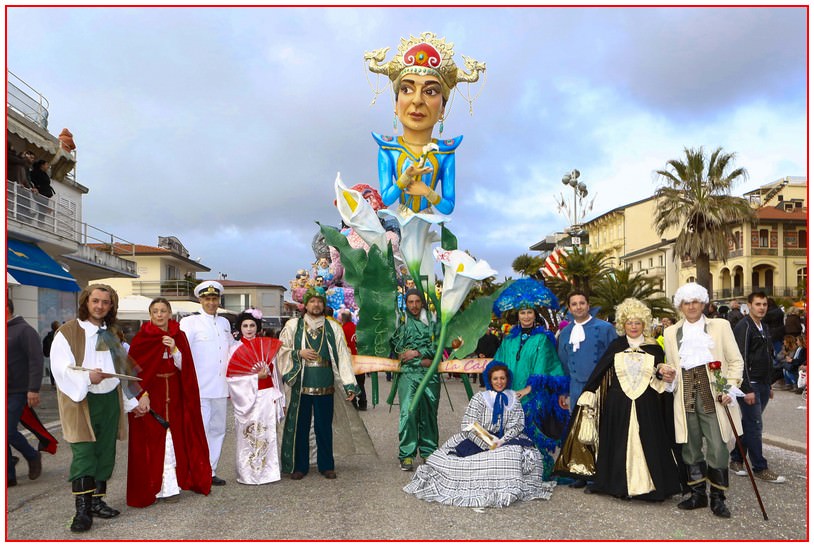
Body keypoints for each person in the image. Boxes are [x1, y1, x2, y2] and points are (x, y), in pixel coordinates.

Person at [556, 298, 681, 501]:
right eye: (629, 323)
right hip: (618, 403)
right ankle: (617, 484)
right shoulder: (616, 345)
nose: (633, 327)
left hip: (646, 404)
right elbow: (601, 371)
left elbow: (659, 375)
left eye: (637, 323)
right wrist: (590, 392)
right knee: (617, 443)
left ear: (644, 325)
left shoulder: (654, 348)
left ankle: (650, 487)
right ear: (623, 325)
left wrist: (662, 372)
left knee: (649, 441)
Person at [49, 284, 144, 532]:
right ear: (86, 302)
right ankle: (82, 510)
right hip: (81, 400)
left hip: (109, 399)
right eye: (95, 301)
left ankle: (96, 502)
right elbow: (61, 369)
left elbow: (123, 371)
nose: (100, 306)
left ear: (111, 306)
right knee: (84, 453)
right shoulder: (67, 333)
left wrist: (133, 401)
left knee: (105, 452)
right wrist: (88, 378)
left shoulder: (112, 334)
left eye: (105, 302)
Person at [403, 361, 555, 506]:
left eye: (502, 378)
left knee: (514, 455)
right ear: (489, 380)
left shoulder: (513, 399)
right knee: (454, 461)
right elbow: (468, 424)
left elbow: (517, 425)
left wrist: (502, 440)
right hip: (479, 437)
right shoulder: (480, 398)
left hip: (506, 438)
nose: (499, 382)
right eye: (495, 378)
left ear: (507, 379)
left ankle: (505, 487)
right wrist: (489, 441)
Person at [365, 32, 485, 215]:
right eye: (406, 89)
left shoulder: (444, 152)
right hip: (400, 222)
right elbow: (386, 199)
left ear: (442, 109)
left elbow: (448, 207)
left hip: (429, 222)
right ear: (396, 105)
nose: (417, 100)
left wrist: (427, 192)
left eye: (430, 92)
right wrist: (406, 177)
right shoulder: (388, 149)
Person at [663, 282, 744, 518]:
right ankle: (697, 494)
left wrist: (730, 387)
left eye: (695, 301)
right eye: (686, 302)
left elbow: (736, 361)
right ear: (680, 305)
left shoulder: (720, 326)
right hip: (685, 395)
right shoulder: (670, 332)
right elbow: (671, 364)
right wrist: (666, 373)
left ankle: (718, 497)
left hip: (714, 397)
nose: (691, 307)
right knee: (689, 446)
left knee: (718, 446)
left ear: (703, 303)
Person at [126, 298, 211, 507]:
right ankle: (154, 486)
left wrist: (174, 349)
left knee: (175, 438)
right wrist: (141, 394)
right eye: (155, 311)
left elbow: (186, 367)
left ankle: (173, 485)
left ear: (169, 313)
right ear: (150, 315)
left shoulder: (178, 335)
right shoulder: (141, 338)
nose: (159, 315)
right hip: (151, 394)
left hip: (175, 394)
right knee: (152, 441)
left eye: (163, 311)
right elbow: (132, 371)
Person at [278, 287, 360, 479]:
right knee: (300, 426)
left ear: (324, 305)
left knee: (324, 427)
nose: (316, 305)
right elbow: (280, 350)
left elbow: (343, 355)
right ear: (305, 305)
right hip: (301, 384)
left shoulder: (333, 327)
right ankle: (300, 466)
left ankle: (326, 465)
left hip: (325, 384)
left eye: (319, 301)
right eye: (312, 301)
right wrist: (299, 353)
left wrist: (349, 384)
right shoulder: (293, 325)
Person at [493, 301, 569, 480]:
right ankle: (513, 468)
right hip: (509, 393)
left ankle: (535, 469)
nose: (526, 316)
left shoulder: (543, 338)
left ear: (535, 315)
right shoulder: (509, 339)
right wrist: (499, 385)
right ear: (517, 316)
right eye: (522, 313)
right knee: (508, 431)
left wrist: (528, 388)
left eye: (529, 313)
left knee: (531, 433)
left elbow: (543, 365)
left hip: (533, 395)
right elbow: (499, 363)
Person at [180, 280, 236, 486]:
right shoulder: (189, 323)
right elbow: (181, 355)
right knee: (199, 431)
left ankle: (210, 470)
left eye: (214, 299)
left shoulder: (224, 323)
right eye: (207, 299)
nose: (211, 303)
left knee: (218, 430)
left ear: (219, 300)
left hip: (221, 388)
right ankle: (197, 470)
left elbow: (232, 350)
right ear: (200, 300)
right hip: (200, 387)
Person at [728, 292, 787, 484]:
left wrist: (769, 384)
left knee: (750, 424)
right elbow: (740, 358)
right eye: (758, 304)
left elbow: (768, 356)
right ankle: (760, 467)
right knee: (755, 425)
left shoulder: (764, 327)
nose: (762, 308)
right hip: (750, 384)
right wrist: (746, 388)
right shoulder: (743, 327)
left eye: (764, 304)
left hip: (762, 383)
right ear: (749, 306)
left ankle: (736, 458)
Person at [226, 308, 285, 485]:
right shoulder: (234, 348)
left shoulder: (265, 346)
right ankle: (248, 473)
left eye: (252, 325)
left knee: (267, 432)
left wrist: (279, 397)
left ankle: (269, 472)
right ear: (240, 328)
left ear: (257, 327)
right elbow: (231, 377)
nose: (249, 329)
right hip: (246, 397)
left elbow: (276, 376)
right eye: (245, 325)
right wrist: (254, 377)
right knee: (247, 434)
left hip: (267, 395)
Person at [391, 289, 440, 471]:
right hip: (408, 373)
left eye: (417, 301)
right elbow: (398, 348)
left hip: (430, 375)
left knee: (429, 413)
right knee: (408, 412)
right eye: (410, 302)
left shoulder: (434, 321)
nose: (414, 305)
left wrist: (417, 353)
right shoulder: (401, 321)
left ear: (422, 303)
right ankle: (407, 454)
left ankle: (429, 452)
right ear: (406, 303)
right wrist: (417, 358)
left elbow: (438, 345)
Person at [557, 290, 618, 409]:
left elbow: (616, 360)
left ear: (588, 305)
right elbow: (563, 364)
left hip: (601, 387)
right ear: (569, 308)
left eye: (582, 303)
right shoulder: (565, 333)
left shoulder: (606, 328)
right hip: (575, 390)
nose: (578, 307)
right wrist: (564, 391)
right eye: (574, 304)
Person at [7, 298, 44, 487]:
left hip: (17, 390)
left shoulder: (24, 330)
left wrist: (33, 388)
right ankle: (8, 476)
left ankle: (32, 455)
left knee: (7, 430)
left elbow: (36, 360)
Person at [341, 310, 367, 411]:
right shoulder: (358, 329)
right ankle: (363, 403)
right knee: (361, 382)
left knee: (351, 381)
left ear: (343, 319)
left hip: (350, 360)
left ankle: (354, 403)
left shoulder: (343, 329)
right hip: (360, 358)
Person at [42, 320, 60, 387]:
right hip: (58, 355)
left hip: (52, 355)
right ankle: (56, 383)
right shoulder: (59, 335)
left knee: (52, 369)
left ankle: (53, 383)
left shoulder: (49, 336)